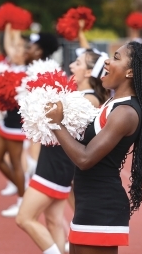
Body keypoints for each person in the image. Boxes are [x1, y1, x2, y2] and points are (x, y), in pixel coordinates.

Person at [45, 41, 142, 254]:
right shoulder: (110, 104)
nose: (106, 60)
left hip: (102, 207)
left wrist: (56, 124)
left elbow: (85, 159)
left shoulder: (126, 112)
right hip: (87, 204)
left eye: (116, 58)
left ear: (130, 72)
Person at [16, 26, 109, 254]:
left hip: (57, 166)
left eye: (77, 64)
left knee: (24, 218)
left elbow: (55, 115)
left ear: (89, 72)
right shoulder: (78, 92)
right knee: (54, 220)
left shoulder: (90, 99)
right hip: (53, 162)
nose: (71, 66)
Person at [0, 23, 59, 217]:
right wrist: (10, 28)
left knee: (16, 162)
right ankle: (25, 189)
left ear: (41, 52)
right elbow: (12, 48)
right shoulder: (24, 63)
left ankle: (23, 200)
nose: (28, 49)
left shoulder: (36, 71)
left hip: (17, 122)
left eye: (33, 48)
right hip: (7, 119)